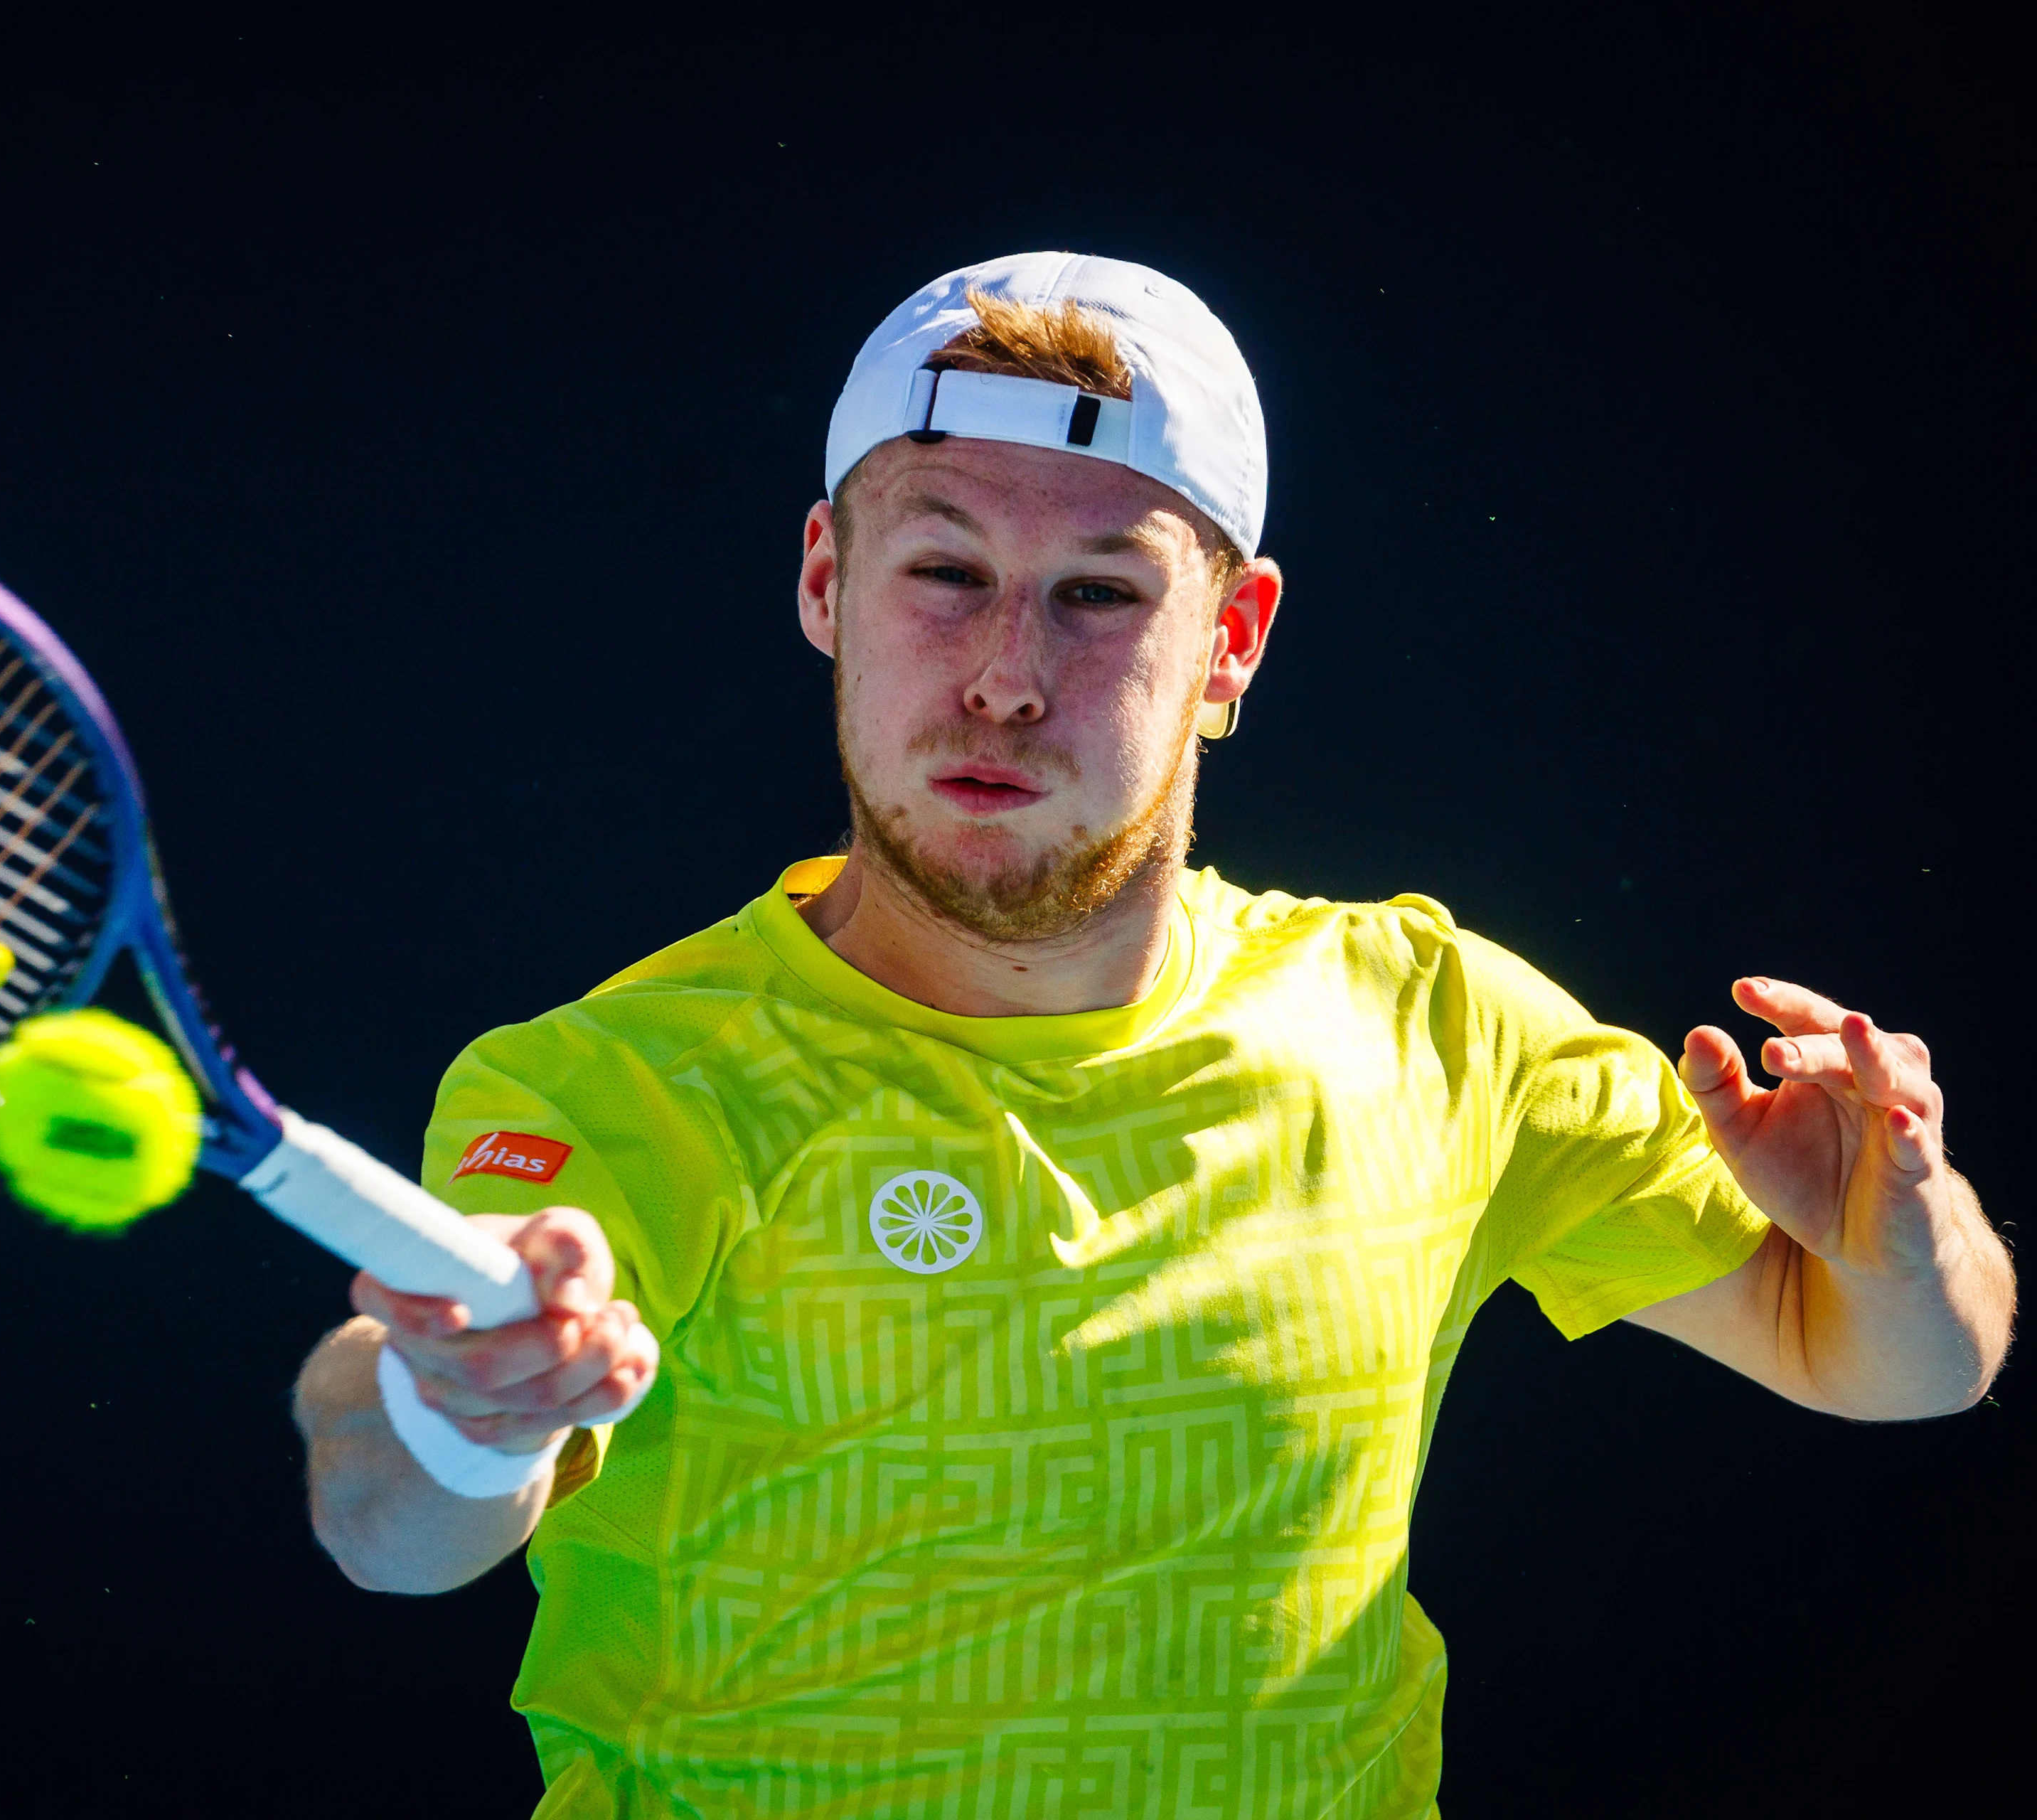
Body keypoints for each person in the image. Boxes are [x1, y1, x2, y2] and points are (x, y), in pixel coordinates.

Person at [290, 252, 2014, 1819]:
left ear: (1231, 642)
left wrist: (1903, 1221)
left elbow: (1908, 1366)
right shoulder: (613, 1082)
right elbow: (389, 1523)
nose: (1006, 676)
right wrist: (462, 1404)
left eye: (1099, 595)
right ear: (828, 580)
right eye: (944, 570)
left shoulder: (1439, 1027)